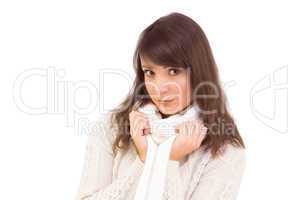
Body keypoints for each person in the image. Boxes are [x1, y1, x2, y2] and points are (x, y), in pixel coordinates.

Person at [75, 12, 246, 200]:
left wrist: (168, 161)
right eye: (150, 72)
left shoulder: (225, 151)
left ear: (199, 72)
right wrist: (145, 159)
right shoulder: (112, 126)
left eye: (173, 71)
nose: (160, 88)